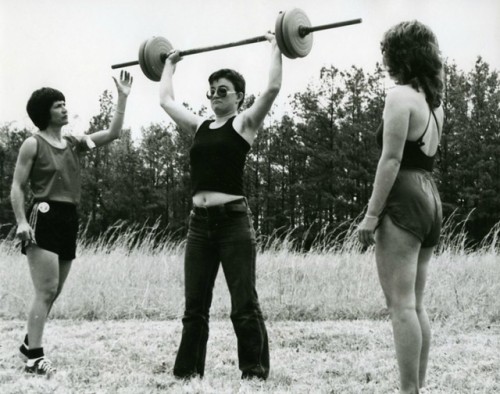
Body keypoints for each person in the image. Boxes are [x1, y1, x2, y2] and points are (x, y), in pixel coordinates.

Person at [159, 33, 281, 380]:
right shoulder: (199, 126)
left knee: (243, 303)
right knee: (194, 306)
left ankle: (254, 373)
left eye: (222, 90)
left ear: (239, 97)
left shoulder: (243, 124)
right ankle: (186, 374)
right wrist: (169, 65)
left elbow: (272, 89)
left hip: (233, 224)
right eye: (211, 90)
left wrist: (276, 46)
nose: (214, 95)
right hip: (199, 225)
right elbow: (166, 100)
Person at [11, 70, 133, 376]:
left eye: (65, 103)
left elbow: (113, 134)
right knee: (46, 289)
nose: (65, 108)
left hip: (69, 217)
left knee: (55, 290)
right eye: (57, 105)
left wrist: (122, 97)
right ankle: (34, 358)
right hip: (44, 215)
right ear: (45, 113)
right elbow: (17, 187)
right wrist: (22, 222)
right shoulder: (33, 144)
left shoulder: (75, 143)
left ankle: (29, 343)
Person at [357, 21, 444, 394]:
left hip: (404, 197)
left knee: (401, 306)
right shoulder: (433, 103)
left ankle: (409, 392)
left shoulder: (399, 97)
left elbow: (390, 160)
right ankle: (417, 388)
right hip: (429, 195)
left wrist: (371, 215)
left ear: (399, 56)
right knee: (415, 303)